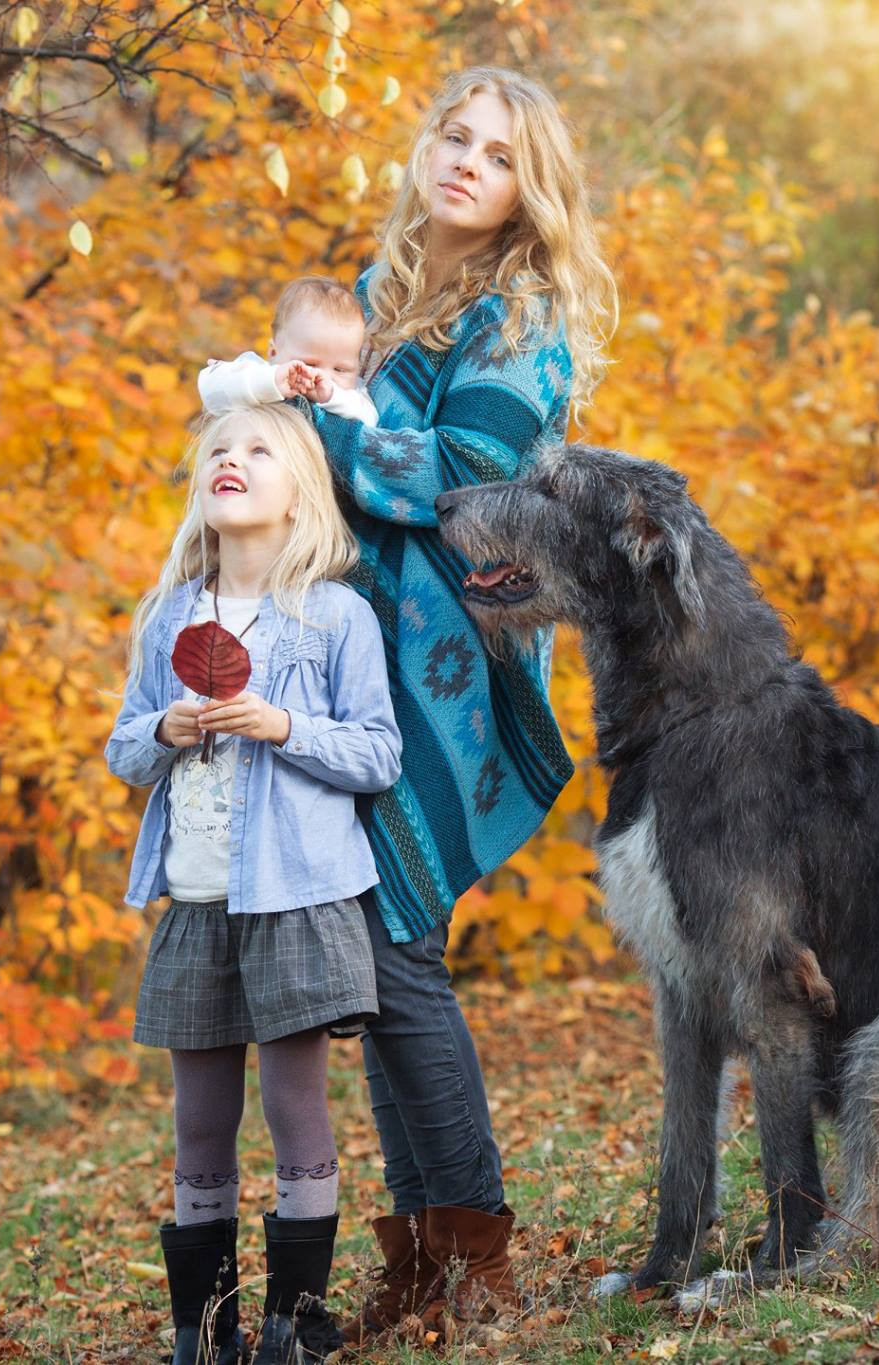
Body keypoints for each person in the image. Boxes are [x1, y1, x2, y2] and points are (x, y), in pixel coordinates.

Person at [282, 65, 617, 1340]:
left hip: (448, 666)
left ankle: (477, 1259)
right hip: (339, 654)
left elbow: (469, 483)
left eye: (499, 150)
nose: (467, 160)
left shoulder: (520, 317)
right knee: (360, 961)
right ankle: (425, 1257)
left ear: (532, 189)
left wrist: (320, 427)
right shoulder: (368, 299)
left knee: (392, 950)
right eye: (453, 135)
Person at [106, 402, 401, 1365]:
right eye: (218, 451)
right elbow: (122, 747)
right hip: (195, 902)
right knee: (199, 1118)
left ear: (300, 492)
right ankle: (205, 1329)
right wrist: (166, 730)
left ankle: (293, 1323)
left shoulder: (335, 615)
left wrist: (282, 726)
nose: (232, 461)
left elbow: (378, 753)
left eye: (258, 449)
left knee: (293, 1105)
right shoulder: (170, 617)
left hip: (298, 897)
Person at [199, 275, 380, 428]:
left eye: (340, 370)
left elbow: (370, 421)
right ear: (273, 353)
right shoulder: (256, 371)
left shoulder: (352, 396)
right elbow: (210, 388)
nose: (323, 376)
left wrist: (332, 396)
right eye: (310, 364)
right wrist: (270, 382)